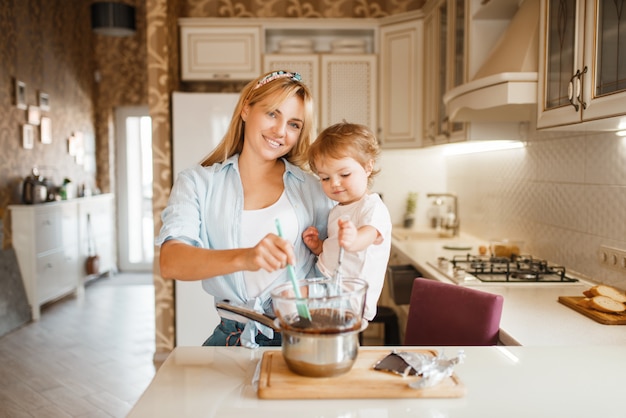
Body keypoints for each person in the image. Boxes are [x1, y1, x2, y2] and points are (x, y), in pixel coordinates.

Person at [157, 70, 334, 348]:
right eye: (272, 114)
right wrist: (246, 257)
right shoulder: (198, 183)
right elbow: (171, 261)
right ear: (246, 109)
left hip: (300, 337)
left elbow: (337, 263)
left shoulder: (314, 188)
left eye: (294, 124)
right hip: (231, 337)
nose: (280, 131)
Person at [302, 122, 392, 322]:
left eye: (344, 174)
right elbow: (336, 250)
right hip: (325, 278)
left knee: (291, 299)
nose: (334, 183)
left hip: (348, 295)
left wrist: (354, 239)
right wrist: (319, 247)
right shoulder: (338, 209)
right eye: (325, 178)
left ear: (368, 167)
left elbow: (368, 235)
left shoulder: (372, 207)